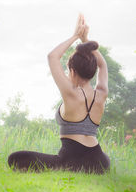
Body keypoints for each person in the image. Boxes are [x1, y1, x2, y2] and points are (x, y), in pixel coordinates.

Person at [8, 13, 110, 174]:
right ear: (91, 71)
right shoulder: (102, 93)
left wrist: (76, 35)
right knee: (96, 160)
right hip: (99, 161)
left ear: (72, 71)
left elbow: (53, 56)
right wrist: (85, 40)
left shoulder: (71, 93)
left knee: (15, 158)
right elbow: (103, 65)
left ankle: (66, 167)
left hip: (72, 160)